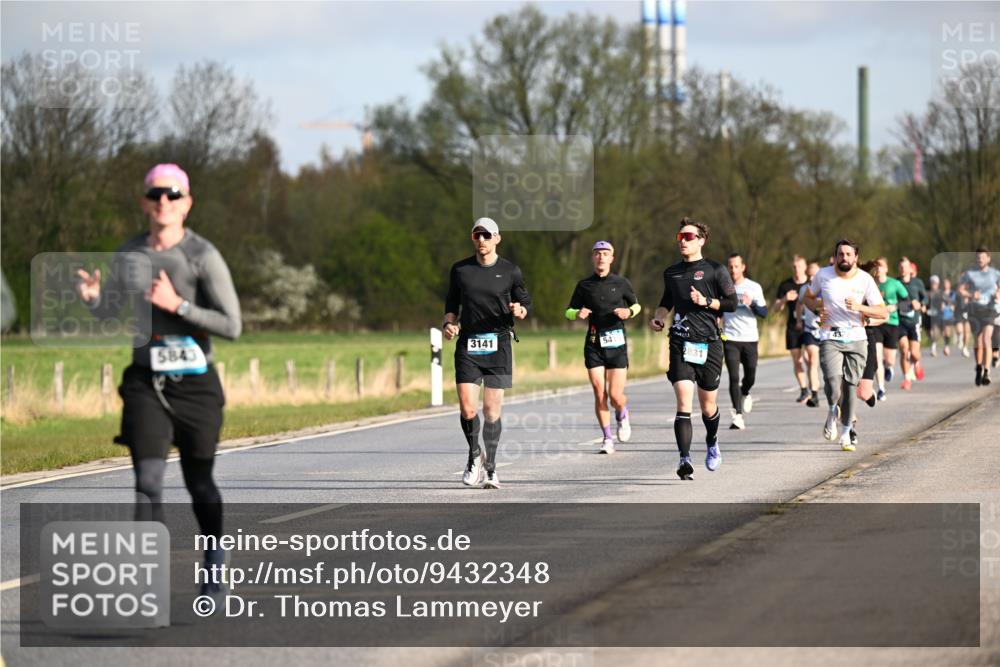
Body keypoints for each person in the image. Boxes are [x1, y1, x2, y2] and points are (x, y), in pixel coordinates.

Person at [76, 163, 241, 598]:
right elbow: (111, 312)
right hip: (146, 382)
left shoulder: (202, 255)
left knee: (198, 482)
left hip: (196, 384)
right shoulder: (128, 254)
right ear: (144, 203)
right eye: (155, 195)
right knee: (147, 481)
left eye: (172, 194)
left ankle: (213, 558)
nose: (163, 202)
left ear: (187, 203)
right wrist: (94, 301)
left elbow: (233, 325)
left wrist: (178, 305)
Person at [444, 217, 532, 489]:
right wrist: (448, 324)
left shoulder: (510, 271)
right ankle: (474, 456)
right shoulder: (460, 270)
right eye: (476, 235)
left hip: (499, 345)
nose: (481, 240)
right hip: (468, 345)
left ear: (497, 238)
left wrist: (521, 311)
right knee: (468, 408)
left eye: (486, 235)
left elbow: (526, 302)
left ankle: (491, 467)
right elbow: (451, 303)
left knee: (491, 411)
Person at [650, 218, 737, 479]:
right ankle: (684, 459)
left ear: (701, 240)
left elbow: (731, 303)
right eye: (680, 237)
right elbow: (666, 301)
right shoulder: (671, 272)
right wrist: (659, 316)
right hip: (680, 341)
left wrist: (707, 301)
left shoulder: (715, 269)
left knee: (708, 405)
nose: (683, 242)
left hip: (709, 343)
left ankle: (712, 441)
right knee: (683, 403)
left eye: (688, 237)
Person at [802, 239, 887, 452]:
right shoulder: (823, 275)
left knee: (850, 389)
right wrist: (816, 309)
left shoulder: (865, 280)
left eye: (849, 254)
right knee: (832, 382)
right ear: (836, 256)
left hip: (857, 339)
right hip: (830, 337)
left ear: (856, 258)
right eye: (841, 254)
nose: (844, 258)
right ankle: (832, 411)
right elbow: (808, 298)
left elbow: (882, 312)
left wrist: (860, 307)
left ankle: (847, 432)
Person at [565, 241, 640, 454]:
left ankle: (622, 412)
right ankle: (607, 438)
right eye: (597, 253)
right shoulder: (584, 285)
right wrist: (576, 314)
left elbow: (636, 304)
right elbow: (568, 311)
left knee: (615, 394)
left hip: (617, 343)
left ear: (612, 258)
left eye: (605, 254)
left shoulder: (621, 282)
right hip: (594, 343)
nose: (601, 257)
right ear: (593, 258)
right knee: (599, 393)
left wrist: (630, 313)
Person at [721, 253, 767, 430]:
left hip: (750, 338)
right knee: (733, 377)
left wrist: (752, 303)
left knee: (751, 376)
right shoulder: (723, 287)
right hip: (730, 338)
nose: (733, 270)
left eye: (736, 266)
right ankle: (737, 415)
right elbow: (718, 310)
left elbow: (764, 313)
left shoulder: (753, 287)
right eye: (730, 266)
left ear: (743, 267)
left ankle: (745, 392)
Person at [958, 248, 1000, 386]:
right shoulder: (970, 273)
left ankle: (987, 371)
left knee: (987, 338)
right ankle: (978, 367)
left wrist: (998, 294)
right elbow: (960, 289)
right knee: (978, 341)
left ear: (988, 258)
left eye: (982, 257)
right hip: (974, 309)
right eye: (978, 257)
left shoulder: (995, 273)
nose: (980, 259)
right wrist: (971, 295)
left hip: (989, 309)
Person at [773, 255, 811, 402]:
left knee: (809, 357)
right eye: (794, 267)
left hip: (809, 326)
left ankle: (813, 385)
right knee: (797, 360)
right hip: (792, 326)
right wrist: (785, 299)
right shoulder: (785, 285)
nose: (797, 269)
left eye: (800, 266)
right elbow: (776, 308)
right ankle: (804, 389)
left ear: (805, 267)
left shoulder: (811, 283)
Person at [871, 257, 908, 401]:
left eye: (881, 266)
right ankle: (881, 389)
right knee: (877, 357)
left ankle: (889, 367)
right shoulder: (871, 284)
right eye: (877, 266)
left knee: (890, 358)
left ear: (886, 269)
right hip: (876, 324)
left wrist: (896, 307)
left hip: (892, 323)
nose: (879, 269)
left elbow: (906, 301)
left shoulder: (895, 283)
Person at [794, 261, 823, 408]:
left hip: (826, 331)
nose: (812, 279)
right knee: (812, 360)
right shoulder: (805, 289)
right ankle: (815, 394)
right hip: (809, 330)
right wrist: (799, 320)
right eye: (810, 275)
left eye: (815, 275)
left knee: (816, 363)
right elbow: (799, 304)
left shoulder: (826, 287)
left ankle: (818, 390)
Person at [896, 257, 927, 389]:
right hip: (899, 321)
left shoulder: (917, 282)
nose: (903, 269)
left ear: (910, 269)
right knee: (904, 349)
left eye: (905, 267)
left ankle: (917, 362)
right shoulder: (895, 282)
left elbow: (925, 297)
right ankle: (907, 378)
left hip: (914, 321)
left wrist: (921, 304)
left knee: (914, 353)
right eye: (901, 267)